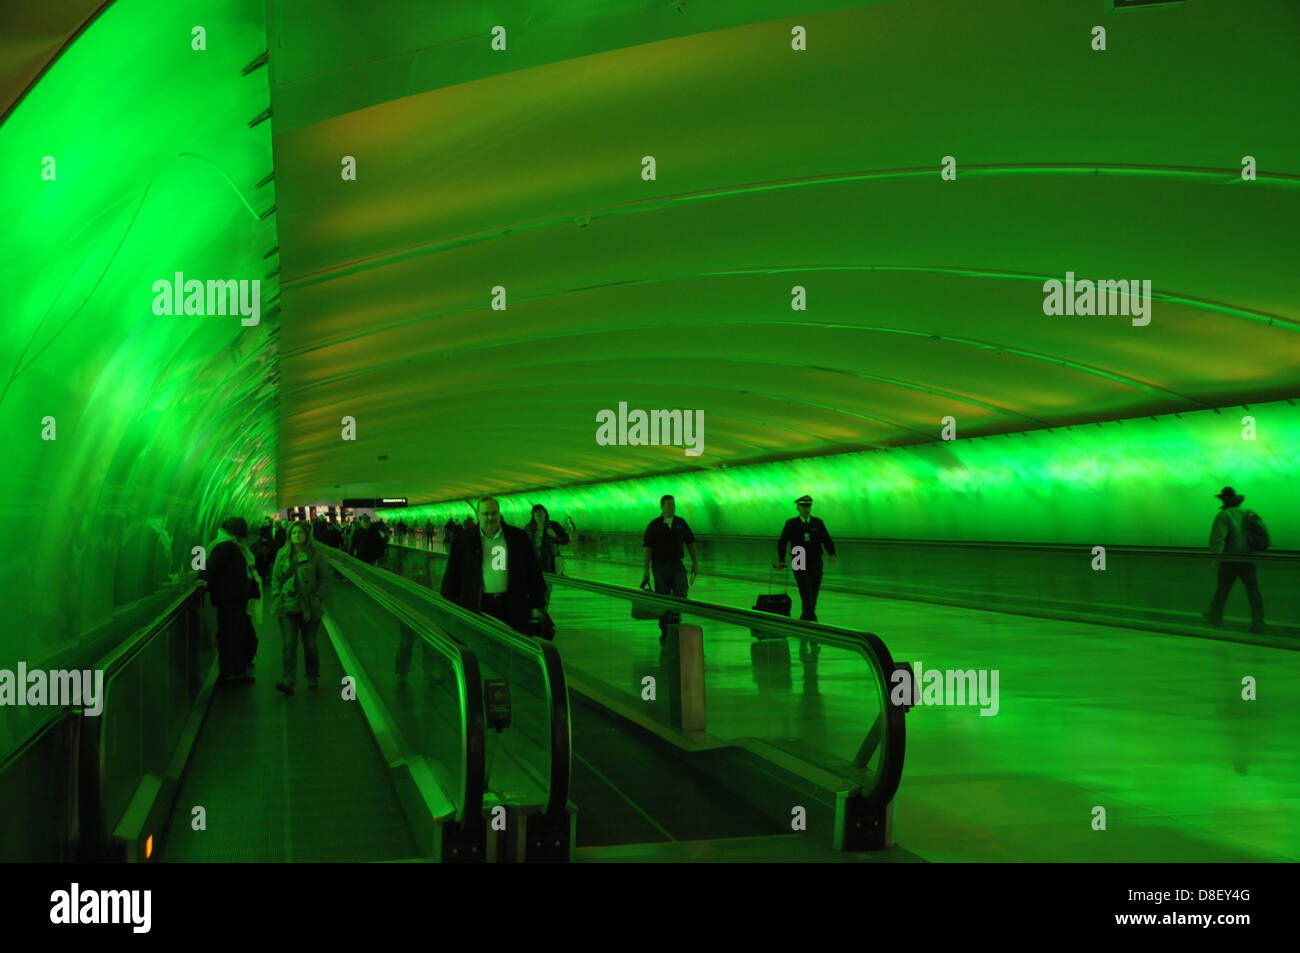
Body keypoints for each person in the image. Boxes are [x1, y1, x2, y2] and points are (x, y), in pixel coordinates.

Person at [440, 497, 546, 635]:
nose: (490, 517)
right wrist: (450, 605)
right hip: (478, 606)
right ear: (477, 515)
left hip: (512, 605)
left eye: (493, 513)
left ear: (499, 513)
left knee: (513, 647)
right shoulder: (463, 540)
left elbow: (533, 571)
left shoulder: (518, 537)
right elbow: (452, 576)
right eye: (485, 514)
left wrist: (537, 604)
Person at [271, 522, 331, 695]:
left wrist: (318, 597)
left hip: (309, 607)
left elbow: (324, 579)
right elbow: (275, 578)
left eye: (300, 532)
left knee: (310, 644)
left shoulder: (316, 556)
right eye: (294, 533)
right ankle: (288, 679)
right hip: (287, 606)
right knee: (289, 644)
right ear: (289, 536)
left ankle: (312, 676)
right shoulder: (281, 556)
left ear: (306, 535)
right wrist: (276, 595)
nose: (297, 535)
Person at [199, 517, 259, 686]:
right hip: (229, 599)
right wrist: (203, 578)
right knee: (230, 636)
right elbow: (212, 565)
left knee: (239, 635)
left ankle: (237, 671)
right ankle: (228, 674)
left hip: (235, 598)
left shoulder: (233, 545)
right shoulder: (226, 546)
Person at [1204, 486, 1265, 634]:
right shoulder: (1248, 514)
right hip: (1248, 559)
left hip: (1230, 560)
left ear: (1224, 500)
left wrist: (1214, 560)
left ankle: (1215, 618)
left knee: (1222, 590)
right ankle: (1258, 622)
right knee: (1253, 592)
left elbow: (1219, 540)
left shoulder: (1223, 516)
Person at [641, 495, 699, 644]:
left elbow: (690, 542)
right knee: (663, 599)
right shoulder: (654, 525)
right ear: (662, 507)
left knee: (680, 595)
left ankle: (677, 627)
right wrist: (646, 570)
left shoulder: (681, 523)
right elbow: (648, 548)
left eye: (673, 505)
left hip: (677, 565)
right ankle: (665, 631)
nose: (672, 508)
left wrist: (695, 562)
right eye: (669, 505)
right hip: (660, 566)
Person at [774, 495, 837, 623]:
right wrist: (781, 559)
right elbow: (782, 541)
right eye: (803, 506)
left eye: (808, 506)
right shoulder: (791, 523)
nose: (806, 509)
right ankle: (810, 616)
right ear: (798, 508)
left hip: (815, 558)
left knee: (814, 587)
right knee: (804, 587)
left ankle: (807, 614)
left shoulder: (817, 523)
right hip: (798, 557)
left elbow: (826, 538)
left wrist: (832, 553)